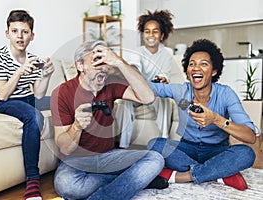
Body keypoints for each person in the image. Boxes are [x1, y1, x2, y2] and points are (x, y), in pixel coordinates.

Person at [50, 40, 168, 200]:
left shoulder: (110, 83)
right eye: (96, 61)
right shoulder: (62, 93)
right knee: (66, 185)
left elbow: (147, 97)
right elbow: (65, 148)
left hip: (107, 156)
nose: (103, 68)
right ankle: (135, 181)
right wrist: (77, 126)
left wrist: (118, 62)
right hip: (76, 161)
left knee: (155, 159)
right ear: (80, 66)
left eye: (104, 62)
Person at [147, 38, 257, 191]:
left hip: (216, 150)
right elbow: (149, 87)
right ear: (187, 70)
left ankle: (181, 176)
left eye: (203, 64)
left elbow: (250, 136)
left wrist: (216, 119)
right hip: (187, 148)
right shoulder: (181, 92)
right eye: (191, 64)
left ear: (214, 71)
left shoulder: (226, 94)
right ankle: (218, 173)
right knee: (155, 144)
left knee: (246, 154)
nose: (196, 68)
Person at [0, 10, 55, 200]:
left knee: (61, 101)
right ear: (7, 34)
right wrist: (19, 72)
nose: (20, 36)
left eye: (24, 32)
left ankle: (76, 158)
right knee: (33, 116)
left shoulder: (32, 59)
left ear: (32, 36)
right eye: (15, 31)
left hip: (26, 98)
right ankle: (32, 180)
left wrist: (46, 75)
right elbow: (3, 94)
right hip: (2, 102)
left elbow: (38, 94)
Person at [116, 10, 175, 148]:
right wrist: (134, 73)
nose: (151, 35)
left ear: (162, 35)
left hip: (155, 93)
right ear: (143, 35)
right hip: (138, 93)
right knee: (125, 101)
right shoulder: (137, 52)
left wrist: (163, 79)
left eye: (155, 31)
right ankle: (123, 146)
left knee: (165, 100)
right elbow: (135, 68)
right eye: (147, 31)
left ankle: (164, 141)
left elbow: (166, 74)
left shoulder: (167, 53)